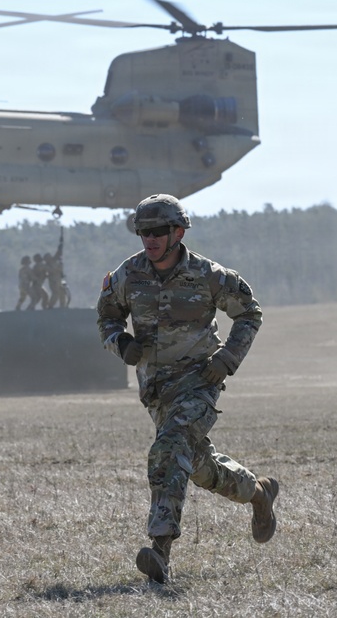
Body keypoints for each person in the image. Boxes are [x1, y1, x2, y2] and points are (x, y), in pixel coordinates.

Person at [96, 193, 279, 584]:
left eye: (158, 230)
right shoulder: (128, 276)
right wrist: (122, 343)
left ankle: (159, 551)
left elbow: (250, 312)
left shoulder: (210, 276)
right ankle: (258, 493)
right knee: (193, 463)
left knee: (169, 448)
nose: (150, 238)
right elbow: (106, 317)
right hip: (157, 391)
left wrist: (228, 359)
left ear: (178, 232)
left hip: (201, 382)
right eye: (143, 231)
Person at [45, 228, 71, 308]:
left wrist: (61, 243)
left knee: (62, 292)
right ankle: (50, 306)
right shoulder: (47, 265)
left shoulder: (53, 261)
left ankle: (62, 306)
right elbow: (51, 272)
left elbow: (58, 252)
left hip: (58, 279)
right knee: (56, 293)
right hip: (53, 281)